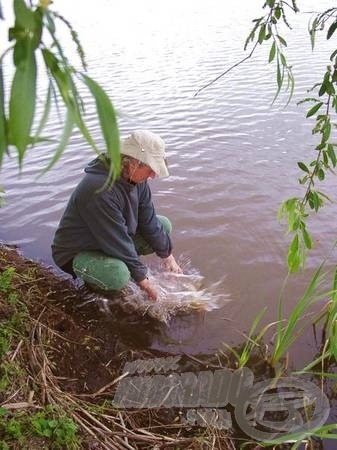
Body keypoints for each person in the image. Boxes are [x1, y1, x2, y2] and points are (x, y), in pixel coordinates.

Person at [52, 130, 182, 301]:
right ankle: (99, 281)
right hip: (79, 251)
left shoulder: (137, 180)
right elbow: (117, 239)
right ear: (133, 163)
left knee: (163, 225)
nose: (153, 175)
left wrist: (168, 257)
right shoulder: (99, 189)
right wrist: (145, 281)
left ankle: (122, 263)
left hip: (111, 236)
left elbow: (148, 221)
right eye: (151, 168)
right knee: (118, 275)